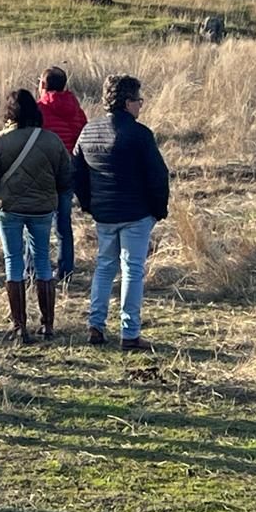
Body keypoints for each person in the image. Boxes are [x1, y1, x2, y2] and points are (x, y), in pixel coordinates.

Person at [74, 74, 170, 352]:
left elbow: (77, 172)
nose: (141, 106)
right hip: (136, 213)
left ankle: (96, 325)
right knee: (132, 270)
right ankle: (130, 333)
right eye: (139, 100)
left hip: (104, 213)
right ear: (128, 102)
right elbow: (158, 175)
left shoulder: (88, 131)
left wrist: (89, 204)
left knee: (104, 268)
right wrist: (158, 210)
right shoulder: (140, 134)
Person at [0, 89, 75, 342]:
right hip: (42, 209)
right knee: (43, 260)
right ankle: (48, 325)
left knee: (13, 261)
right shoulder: (51, 140)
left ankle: (19, 326)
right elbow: (66, 176)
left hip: (8, 209)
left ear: (9, 112)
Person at [37, 67, 89, 283]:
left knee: (38, 222)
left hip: (44, 170)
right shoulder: (76, 109)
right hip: (68, 170)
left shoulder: (38, 109)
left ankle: (38, 269)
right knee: (64, 222)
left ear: (42, 85)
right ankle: (65, 269)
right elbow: (83, 137)